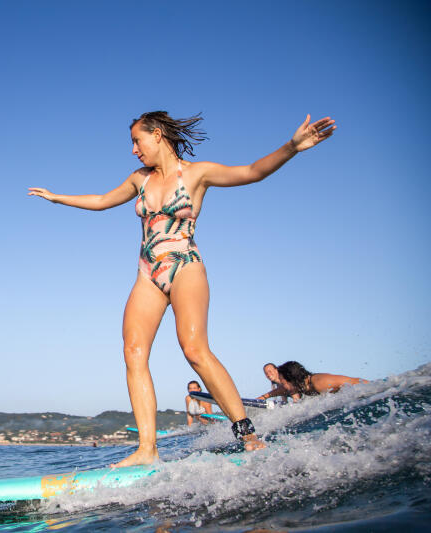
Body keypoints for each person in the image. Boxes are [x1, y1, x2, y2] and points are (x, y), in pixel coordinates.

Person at [29, 110, 335, 465]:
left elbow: (252, 172)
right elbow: (100, 200)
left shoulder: (196, 174)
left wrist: (292, 147)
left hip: (185, 265)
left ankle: (246, 432)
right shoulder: (138, 179)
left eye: (136, 140)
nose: (133, 150)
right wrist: (56, 197)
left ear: (157, 135)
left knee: (194, 349)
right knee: (133, 351)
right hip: (148, 272)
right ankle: (147, 450)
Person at [273, 361, 367, 399]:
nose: (282, 385)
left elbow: (357, 382)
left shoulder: (320, 382)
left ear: (292, 379)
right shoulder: (303, 387)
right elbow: (277, 392)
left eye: (282, 381)